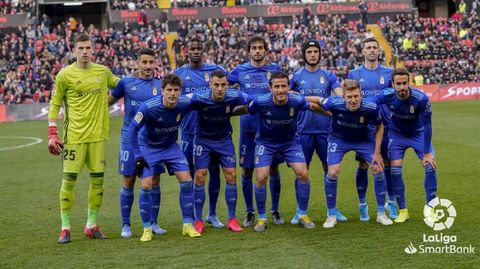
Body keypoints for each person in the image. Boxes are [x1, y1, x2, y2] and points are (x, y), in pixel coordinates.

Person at [48, 33, 120, 244]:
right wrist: (52, 133)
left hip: (98, 136)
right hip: (74, 137)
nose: (85, 52)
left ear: (93, 49)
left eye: (88, 48)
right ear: (74, 50)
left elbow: (120, 86)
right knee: (69, 182)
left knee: (98, 182)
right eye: (81, 48)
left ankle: (91, 225)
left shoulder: (103, 72)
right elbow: (54, 104)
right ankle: (65, 227)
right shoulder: (65, 75)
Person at [244, 71, 325, 232]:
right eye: (277, 87)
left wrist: (331, 113)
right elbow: (246, 110)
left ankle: (302, 215)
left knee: (303, 173)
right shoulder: (260, 102)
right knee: (261, 176)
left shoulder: (297, 100)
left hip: (290, 142)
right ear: (270, 88)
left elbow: (314, 106)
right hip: (265, 143)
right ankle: (261, 218)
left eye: (283, 86)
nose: (280, 90)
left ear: (289, 87)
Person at [310, 79, 393, 229]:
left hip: (363, 140)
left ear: (361, 94)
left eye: (356, 96)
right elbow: (317, 100)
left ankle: (381, 214)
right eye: (349, 97)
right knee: (332, 172)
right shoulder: (334, 103)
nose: (353, 100)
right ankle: (331, 215)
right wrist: (296, 97)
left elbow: (379, 127)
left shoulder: (371, 107)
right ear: (344, 97)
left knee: (378, 168)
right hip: (338, 139)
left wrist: (377, 153)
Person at [128, 74, 201, 240]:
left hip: (170, 147)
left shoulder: (184, 103)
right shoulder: (148, 107)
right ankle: (147, 229)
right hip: (149, 148)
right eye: (169, 90)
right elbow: (132, 130)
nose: (173, 93)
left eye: (176, 90)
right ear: (162, 91)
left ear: (180, 91)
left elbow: (201, 97)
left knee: (187, 181)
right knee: (146, 185)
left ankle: (188, 225)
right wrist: (138, 155)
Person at [108, 48, 166, 239]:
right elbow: (107, 102)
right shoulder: (126, 82)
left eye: (151, 62)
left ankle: (154, 223)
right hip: (129, 138)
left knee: (155, 180)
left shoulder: (161, 85)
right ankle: (126, 225)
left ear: (156, 63)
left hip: (152, 140)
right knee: (129, 179)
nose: (148, 66)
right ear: (137, 63)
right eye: (144, 62)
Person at [228, 36, 283, 227]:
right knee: (247, 169)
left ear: (266, 50)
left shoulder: (275, 70)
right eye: (254, 48)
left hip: (272, 127)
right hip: (248, 128)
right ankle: (250, 212)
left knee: (274, 168)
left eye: (261, 48)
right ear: (249, 51)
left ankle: (275, 210)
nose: (258, 51)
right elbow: (225, 88)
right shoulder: (239, 71)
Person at [289, 40, 346, 224]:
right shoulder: (296, 77)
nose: (313, 54)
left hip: (326, 131)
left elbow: (340, 96)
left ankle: (333, 209)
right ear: (304, 55)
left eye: (315, 51)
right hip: (302, 131)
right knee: (301, 172)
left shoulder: (329, 76)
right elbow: (287, 98)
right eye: (309, 52)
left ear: (320, 54)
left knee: (329, 170)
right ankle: (300, 211)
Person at [173, 38, 225, 229]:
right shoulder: (179, 74)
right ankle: (194, 216)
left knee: (214, 172)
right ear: (187, 51)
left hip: (212, 133)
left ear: (203, 50)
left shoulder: (214, 71)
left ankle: (212, 214)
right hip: (188, 132)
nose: (195, 51)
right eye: (192, 48)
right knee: (190, 175)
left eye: (198, 48)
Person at [188, 70, 248, 234]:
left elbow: (255, 101)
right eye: (216, 85)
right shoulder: (199, 97)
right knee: (200, 176)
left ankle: (232, 219)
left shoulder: (235, 96)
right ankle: (198, 220)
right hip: (203, 140)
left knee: (231, 175)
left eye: (223, 85)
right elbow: (179, 103)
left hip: (224, 140)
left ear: (227, 85)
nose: (220, 88)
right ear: (210, 85)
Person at [374, 68, 437, 223]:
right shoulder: (387, 95)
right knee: (395, 169)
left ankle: (431, 209)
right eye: (398, 84)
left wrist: (427, 151)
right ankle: (403, 211)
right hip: (397, 135)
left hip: (418, 134)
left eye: (404, 83)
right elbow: (370, 104)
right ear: (393, 84)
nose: (402, 87)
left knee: (430, 166)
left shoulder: (421, 99)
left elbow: (428, 126)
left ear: (409, 82)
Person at [347, 38, 396, 221]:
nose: (372, 50)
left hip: (386, 125)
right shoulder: (354, 73)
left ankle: (390, 202)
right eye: (368, 47)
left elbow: (395, 97)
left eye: (375, 47)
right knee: (363, 165)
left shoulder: (389, 73)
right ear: (363, 51)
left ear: (379, 51)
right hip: (364, 127)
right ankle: (362, 205)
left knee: (388, 164)